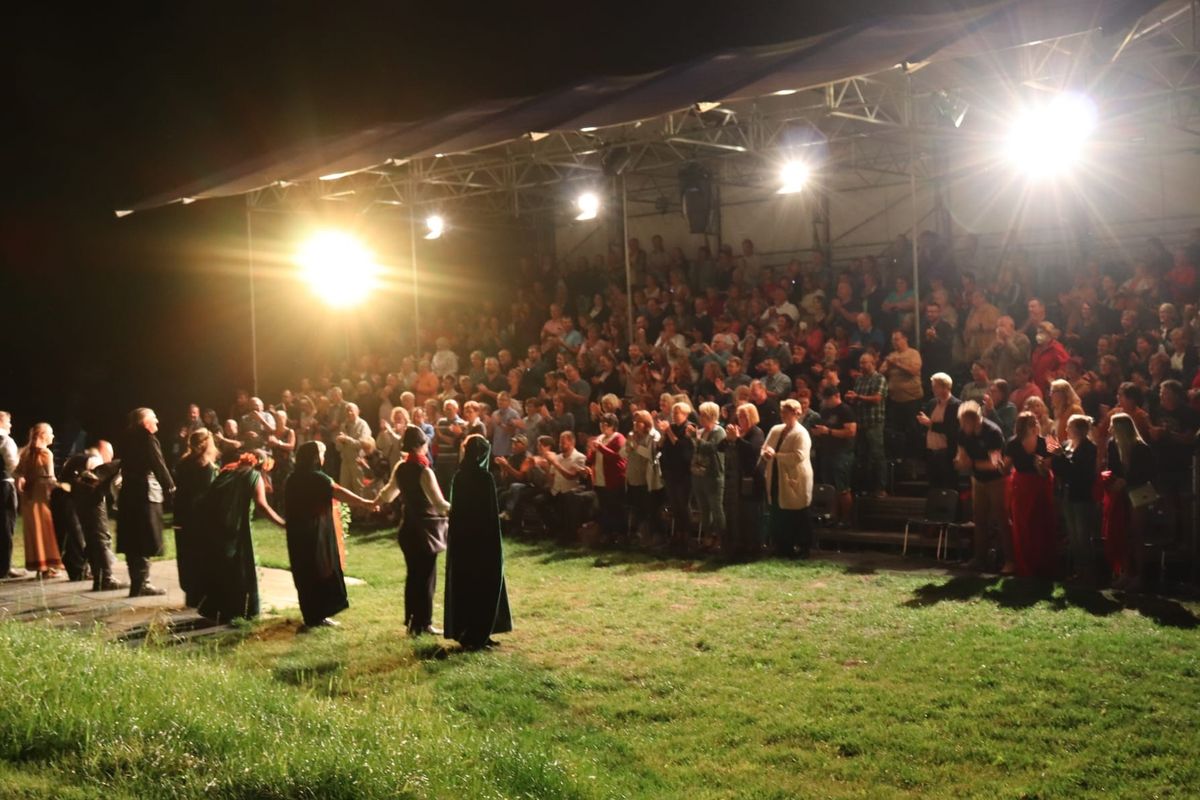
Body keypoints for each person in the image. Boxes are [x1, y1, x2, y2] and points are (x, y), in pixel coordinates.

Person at [285, 441, 376, 629]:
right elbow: (338, 492)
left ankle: (311, 615)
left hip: (297, 536)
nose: (323, 457)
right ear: (314, 457)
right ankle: (320, 615)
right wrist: (365, 502)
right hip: (316, 534)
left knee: (304, 573)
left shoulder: (292, 479)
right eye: (321, 453)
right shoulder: (318, 478)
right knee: (322, 569)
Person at [194, 451, 287, 621]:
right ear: (262, 465)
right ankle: (239, 610)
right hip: (235, 526)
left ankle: (216, 609)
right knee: (238, 567)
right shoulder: (253, 476)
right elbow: (262, 506)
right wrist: (282, 523)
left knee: (220, 566)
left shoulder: (228, 471)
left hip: (212, 524)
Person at [443, 434, 513, 650]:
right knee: (484, 586)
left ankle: (473, 632)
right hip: (482, 544)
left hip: (463, 544)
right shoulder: (484, 479)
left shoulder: (459, 477)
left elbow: (456, 511)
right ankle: (479, 634)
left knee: (466, 587)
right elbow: (489, 515)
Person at [380, 426, 450, 635]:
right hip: (425, 532)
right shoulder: (424, 470)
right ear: (422, 445)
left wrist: (370, 502)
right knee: (426, 578)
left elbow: (387, 495)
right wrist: (462, 508)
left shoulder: (401, 467)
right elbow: (439, 504)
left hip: (407, 529)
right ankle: (424, 623)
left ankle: (412, 622)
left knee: (413, 577)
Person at [118, 408, 176, 597]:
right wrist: (170, 486)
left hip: (128, 493)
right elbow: (158, 464)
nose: (157, 421)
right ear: (145, 422)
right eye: (154, 418)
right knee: (143, 537)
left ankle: (137, 582)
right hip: (145, 492)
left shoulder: (125, 438)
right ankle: (143, 583)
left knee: (132, 539)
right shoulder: (147, 438)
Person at [955, 402, 1014, 573]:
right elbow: (961, 454)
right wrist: (960, 461)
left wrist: (971, 463)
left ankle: (1010, 560)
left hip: (997, 481)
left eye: (965, 423)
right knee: (979, 519)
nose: (963, 426)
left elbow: (995, 464)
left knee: (1002, 519)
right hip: (977, 480)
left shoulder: (993, 433)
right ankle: (979, 558)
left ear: (975, 420)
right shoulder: (962, 432)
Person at [1102, 413, 1156, 591]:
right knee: (1123, 533)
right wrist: (1114, 480)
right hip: (1121, 492)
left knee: (1137, 534)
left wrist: (1126, 480)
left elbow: (1147, 473)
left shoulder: (1140, 448)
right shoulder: (1112, 445)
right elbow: (1111, 468)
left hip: (1138, 491)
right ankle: (1126, 573)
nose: (1109, 430)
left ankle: (1139, 574)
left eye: (1112, 426)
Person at [63, 441, 125, 591]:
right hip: (92, 502)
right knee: (101, 538)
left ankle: (99, 578)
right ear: (103, 450)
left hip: (78, 502)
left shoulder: (77, 459)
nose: (109, 458)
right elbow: (102, 481)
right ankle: (106, 579)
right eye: (109, 454)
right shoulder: (95, 460)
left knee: (92, 539)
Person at [1003, 412, 1058, 578]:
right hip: (1022, 486)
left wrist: (1042, 466)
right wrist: (997, 464)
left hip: (1041, 485)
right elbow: (1005, 468)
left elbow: (1053, 465)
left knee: (1042, 524)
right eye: (1032, 423)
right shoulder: (1012, 443)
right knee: (1023, 525)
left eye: (1036, 422)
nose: (1036, 425)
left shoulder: (1048, 441)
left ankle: (1045, 565)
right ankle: (1025, 565)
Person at [760, 399, 814, 558]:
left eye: (787, 412)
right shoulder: (776, 429)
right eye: (782, 411)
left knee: (797, 513)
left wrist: (775, 456)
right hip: (776, 475)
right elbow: (765, 447)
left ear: (795, 414)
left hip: (794, 477)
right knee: (778, 511)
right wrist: (766, 453)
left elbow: (799, 456)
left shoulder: (801, 433)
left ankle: (802, 547)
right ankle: (782, 546)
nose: (783, 415)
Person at [1051, 414, 1100, 582]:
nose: (1066, 430)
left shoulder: (1089, 448)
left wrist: (1060, 457)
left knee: (1082, 533)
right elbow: (1059, 468)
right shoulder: (1066, 445)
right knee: (1072, 533)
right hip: (1067, 493)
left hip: (1082, 495)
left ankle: (1088, 571)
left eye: (1069, 427)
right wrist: (1055, 453)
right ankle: (1078, 569)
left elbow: (1079, 472)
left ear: (1079, 430)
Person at [173, 429, 219, 607]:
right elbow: (207, 493)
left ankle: (190, 594)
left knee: (185, 555)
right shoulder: (205, 465)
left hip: (182, 515)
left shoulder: (183, 463)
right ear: (207, 443)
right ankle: (202, 595)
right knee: (201, 555)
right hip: (199, 516)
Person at [15, 423, 63, 578]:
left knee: (33, 531)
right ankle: (48, 566)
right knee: (46, 530)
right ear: (43, 435)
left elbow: (17, 473)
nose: (53, 436)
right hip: (41, 495)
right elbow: (50, 477)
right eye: (51, 433)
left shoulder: (25, 452)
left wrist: (22, 480)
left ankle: (40, 567)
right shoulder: (45, 453)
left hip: (28, 497)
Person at [722, 403, 765, 560]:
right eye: (739, 416)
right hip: (738, 479)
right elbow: (721, 447)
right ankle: (741, 545)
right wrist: (729, 439)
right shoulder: (740, 432)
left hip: (752, 480)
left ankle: (754, 547)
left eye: (744, 417)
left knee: (751, 514)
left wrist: (738, 440)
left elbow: (753, 451)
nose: (741, 420)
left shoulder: (756, 432)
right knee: (739, 514)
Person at [811, 385, 857, 525]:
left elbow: (851, 432)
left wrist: (828, 431)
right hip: (827, 452)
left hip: (842, 453)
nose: (826, 402)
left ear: (836, 396)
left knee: (842, 487)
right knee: (830, 488)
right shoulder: (825, 410)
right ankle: (833, 516)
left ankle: (846, 518)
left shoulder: (845, 410)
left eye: (828, 399)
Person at [657, 402, 696, 552]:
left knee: (684, 505)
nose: (674, 416)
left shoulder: (689, 428)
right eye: (673, 413)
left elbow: (682, 447)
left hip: (684, 473)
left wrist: (668, 432)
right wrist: (663, 434)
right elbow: (662, 445)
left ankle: (687, 535)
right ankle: (677, 534)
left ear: (685, 414)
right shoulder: (671, 428)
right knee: (675, 505)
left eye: (677, 413)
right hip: (670, 471)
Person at [622, 410, 665, 545]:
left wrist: (637, 446)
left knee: (650, 510)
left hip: (647, 479)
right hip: (633, 477)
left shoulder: (654, 435)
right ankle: (640, 537)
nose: (635, 424)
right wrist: (628, 446)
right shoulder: (632, 435)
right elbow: (622, 454)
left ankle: (654, 537)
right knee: (637, 509)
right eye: (634, 422)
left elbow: (652, 455)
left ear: (646, 423)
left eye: (638, 422)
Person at [848, 353, 888, 496]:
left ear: (873, 363)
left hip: (874, 423)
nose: (861, 365)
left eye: (864, 362)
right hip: (861, 422)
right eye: (860, 362)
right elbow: (858, 398)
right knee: (862, 457)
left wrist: (858, 397)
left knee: (877, 455)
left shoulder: (879, 378)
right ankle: (865, 487)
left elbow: (877, 398)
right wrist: (852, 398)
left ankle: (881, 487)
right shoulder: (859, 379)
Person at [585, 414, 626, 545]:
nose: (602, 427)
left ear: (613, 426)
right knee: (603, 508)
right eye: (601, 424)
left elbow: (617, 458)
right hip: (600, 479)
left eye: (605, 424)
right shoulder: (600, 438)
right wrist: (591, 452)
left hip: (613, 479)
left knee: (615, 507)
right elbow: (591, 458)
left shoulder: (618, 438)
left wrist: (601, 448)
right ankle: (606, 534)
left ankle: (618, 534)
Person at [689, 402, 727, 541]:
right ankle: (708, 538)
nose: (700, 417)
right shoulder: (702, 431)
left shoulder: (719, 432)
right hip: (699, 476)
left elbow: (711, 448)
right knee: (704, 510)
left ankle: (722, 540)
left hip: (713, 476)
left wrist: (696, 439)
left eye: (703, 415)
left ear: (711, 416)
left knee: (716, 510)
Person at [917, 373, 961, 490]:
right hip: (931, 452)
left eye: (935, 386)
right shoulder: (932, 403)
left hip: (946, 453)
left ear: (945, 387)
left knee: (948, 486)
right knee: (934, 486)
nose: (932, 389)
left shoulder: (956, 405)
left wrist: (930, 424)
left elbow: (953, 429)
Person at [0, 412, 21, 578]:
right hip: (5, 484)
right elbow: (13, 463)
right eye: (9, 421)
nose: (11, 425)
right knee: (7, 525)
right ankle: (5, 567)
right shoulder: (6, 440)